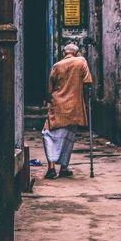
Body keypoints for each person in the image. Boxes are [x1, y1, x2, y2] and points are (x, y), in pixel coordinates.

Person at [42, 43, 92, 179]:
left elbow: (50, 88)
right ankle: (64, 167)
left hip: (58, 105)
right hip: (75, 107)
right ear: (76, 53)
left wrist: (47, 100)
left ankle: (51, 167)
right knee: (69, 136)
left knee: (48, 134)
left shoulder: (57, 66)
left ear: (64, 53)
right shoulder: (81, 62)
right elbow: (88, 82)